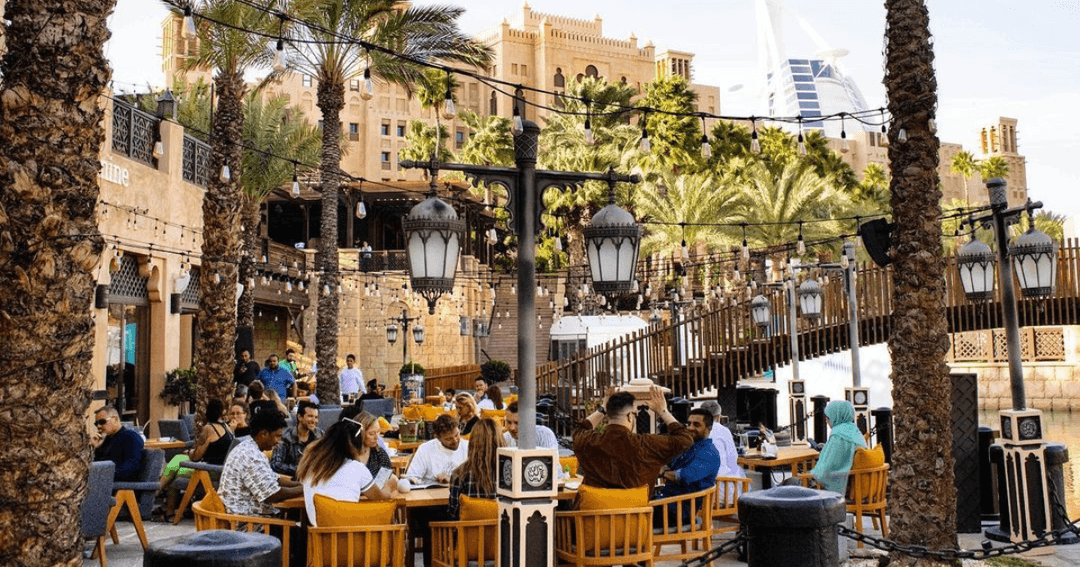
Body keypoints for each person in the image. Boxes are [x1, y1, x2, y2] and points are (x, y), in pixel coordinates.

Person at [573, 387, 693, 489]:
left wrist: (602, 409)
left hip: (594, 514)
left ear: (607, 417)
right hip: (636, 515)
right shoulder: (647, 444)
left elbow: (580, 429)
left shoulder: (588, 440)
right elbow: (685, 439)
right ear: (630, 416)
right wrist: (663, 411)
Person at [296, 419, 396, 526]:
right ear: (355, 446)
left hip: (321, 538)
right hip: (353, 538)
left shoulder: (309, 465)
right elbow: (381, 500)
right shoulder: (357, 468)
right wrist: (389, 485)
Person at [218, 407, 304, 516]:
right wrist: (304, 489)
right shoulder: (251, 456)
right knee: (302, 530)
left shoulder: (249, 448)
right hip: (249, 526)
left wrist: (301, 485)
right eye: (277, 436)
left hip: (247, 520)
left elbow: (275, 480)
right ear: (264, 434)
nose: (279, 441)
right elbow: (272, 495)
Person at [159, 399, 236, 518]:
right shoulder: (226, 427)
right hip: (221, 471)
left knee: (176, 468)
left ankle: (159, 495)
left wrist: (189, 452)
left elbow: (196, 457)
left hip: (209, 472)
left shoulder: (209, 429)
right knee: (178, 462)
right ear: (222, 413)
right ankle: (165, 505)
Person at [655, 408, 722, 523]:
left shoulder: (709, 453)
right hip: (666, 502)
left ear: (709, 428)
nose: (690, 428)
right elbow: (667, 462)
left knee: (633, 515)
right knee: (631, 503)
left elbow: (684, 477)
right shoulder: (689, 447)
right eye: (689, 423)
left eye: (696, 425)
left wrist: (661, 472)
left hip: (681, 511)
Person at [447, 418, 503, 519]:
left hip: (469, 534)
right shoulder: (511, 472)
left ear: (472, 442)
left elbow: (453, 514)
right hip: (503, 533)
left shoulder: (459, 474)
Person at [806, 400, 866, 493]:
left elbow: (829, 466)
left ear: (835, 417)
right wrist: (827, 447)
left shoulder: (838, 434)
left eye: (828, 418)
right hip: (859, 482)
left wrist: (810, 474)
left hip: (846, 486)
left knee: (794, 482)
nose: (826, 421)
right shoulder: (854, 430)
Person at [404, 414, 469, 485]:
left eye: (457, 435)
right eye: (449, 439)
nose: (455, 440)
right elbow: (412, 477)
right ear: (438, 438)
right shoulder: (425, 449)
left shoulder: (468, 447)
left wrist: (453, 479)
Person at [270, 400, 322, 477]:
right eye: (310, 416)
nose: (314, 421)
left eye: (316, 417)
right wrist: (301, 470)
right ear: (299, 417)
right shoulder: (285, 437)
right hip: (292, 480)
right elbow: (276, 465)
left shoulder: (320, 434)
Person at [92, 405, 145, 481]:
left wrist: (104, 475)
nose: (99, 426)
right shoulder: (106, 440)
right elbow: (96, 463)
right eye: (96, 424)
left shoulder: (131, 437)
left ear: (115, 420)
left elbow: (130, 468)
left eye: (102, 422)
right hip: (102, 481)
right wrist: (95, 448)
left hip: (119, 485)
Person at [699, 401, 745, 479]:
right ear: (718, 416)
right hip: (721, 482)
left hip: (699, 483)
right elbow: (732, 459)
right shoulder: (723, 430)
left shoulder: (693, 430)